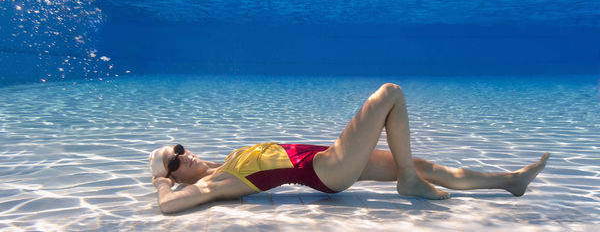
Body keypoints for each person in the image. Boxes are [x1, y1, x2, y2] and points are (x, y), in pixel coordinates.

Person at [150, 83, 549, 214]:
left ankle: (509, 181)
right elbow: (168, 206)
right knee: (388, 95)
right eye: (173, 160)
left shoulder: (225, 161)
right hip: (325, 170)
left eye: (179, 148)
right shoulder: (215, 183)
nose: (181, 154)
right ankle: (408, 182)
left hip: (328, 159)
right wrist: (157, 180)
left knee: (422, 163)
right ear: (172, 176)